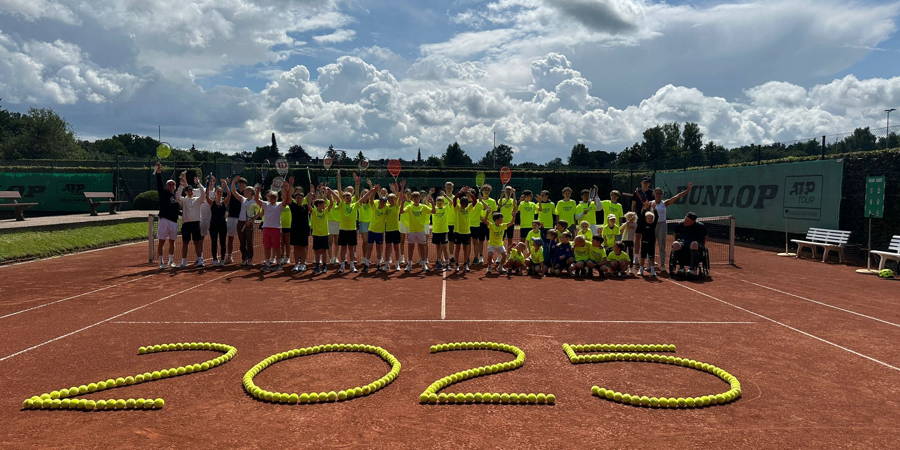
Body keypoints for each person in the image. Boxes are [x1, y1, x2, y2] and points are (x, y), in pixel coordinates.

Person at [649, 183, 693, 272]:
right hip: (652, 225)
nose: (658, 195)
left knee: (662, 246)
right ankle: (651, 265)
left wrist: (687, 190)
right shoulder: (650, 203)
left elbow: (677, 196)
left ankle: (662, 265)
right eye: (657, 193)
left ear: (662, 195)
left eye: (660, 193)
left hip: (662, 225)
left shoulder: (665, 203)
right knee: (650, 246)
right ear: (654, 194)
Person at [253, 180, 292, 272]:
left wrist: (286, 190)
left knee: (277, 247)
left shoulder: (279, 205)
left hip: (276, 229)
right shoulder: (265, 204)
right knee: (267, 247)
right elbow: (256, 199)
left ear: (277, 197)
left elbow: (286, 200)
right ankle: (267, 263)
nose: (272, 198)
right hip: (266, 228)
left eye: (274, 196)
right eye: (271, 196)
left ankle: (278, 264)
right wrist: (258, 190)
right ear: (269, 197)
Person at [176, 172, 206, 268]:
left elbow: (204, 193)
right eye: (188, 190)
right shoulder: (184, 200)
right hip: (186, 224)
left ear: (192, 191)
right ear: (186, 192)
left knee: (197, 242)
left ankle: (200, 260)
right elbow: (177, 196)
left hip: (196, 223)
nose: (190, 191)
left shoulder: (198, 199)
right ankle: (184, 261)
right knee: (185, 243)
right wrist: (181, 185)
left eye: (191, 190)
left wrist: (198, 183)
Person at [153, 163, 179, 269]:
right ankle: (161, 262)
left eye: (173, 184)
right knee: (161, 241)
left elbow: (177, 209)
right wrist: (158, 172)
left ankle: (171, 261)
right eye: (169, 184)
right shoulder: (163, 193)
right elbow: (159, 183)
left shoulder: (175, 196)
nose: (171, 186)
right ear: (166, 186)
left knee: (172, 242)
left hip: (173, 221)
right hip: (164, 220)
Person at [400, 190, 432, 272]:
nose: (416, 199)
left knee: (422, 247)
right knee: (411, 247)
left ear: (419, 198)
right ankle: (409, 264)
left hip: (421, 230)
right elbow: (401, 212)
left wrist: (433, 203)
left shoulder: (423, 207)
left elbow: (434, 211)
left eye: (417, 197)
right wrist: (402, 203)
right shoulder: (410, 206)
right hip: (411, 230)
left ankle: (424, 264)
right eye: (414, 198)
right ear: (412, 199)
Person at [670, 212, 708, 276]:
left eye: (688, 221)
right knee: (675, 244)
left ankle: (693, 269)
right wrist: (677, 242)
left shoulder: (700, 226)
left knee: (694, 244)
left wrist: (702, 245)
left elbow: (705, 237)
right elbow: (675, 235)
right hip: (683, 243)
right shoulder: (679, 224)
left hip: (696, 245)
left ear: (693, 221)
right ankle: (681, 268)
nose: (685, 221)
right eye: (685, 219)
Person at [309, 186, 336, 274]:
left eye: (323, 204)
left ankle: (324, 266)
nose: (323, 205)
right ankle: (317, 265)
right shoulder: (314, 212)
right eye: (321, 204)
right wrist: (311, 195)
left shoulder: (326, 211)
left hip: (324, 234)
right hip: (316, 234)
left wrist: (330, 194)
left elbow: (331, 204)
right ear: (317, 205)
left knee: (324, 251)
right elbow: (309, 205)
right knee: (317, 251)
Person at [289, 185, 314, 273]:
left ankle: (303, 264)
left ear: (303, 198)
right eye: (297, 197)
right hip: (295, 229)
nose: (299, 198)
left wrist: (311, 192)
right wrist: (290, 185)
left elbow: (310, 202)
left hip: (304, 229)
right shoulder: (292, 206)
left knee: (303, 248)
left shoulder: (306, 206)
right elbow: (287, 196)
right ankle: (296, 264)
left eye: (300, 197)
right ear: (295, 198)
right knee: (296, 248)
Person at [335, 189, 361, 273]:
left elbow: (364, 198)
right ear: (343, 198)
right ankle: (342, 266)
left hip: (352, 230)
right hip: (343, 230)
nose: (348, 198)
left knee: (351, 249)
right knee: (343, 248)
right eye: (346, 197)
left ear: (351, 198)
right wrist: (330, 191)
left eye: (349, 196)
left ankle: (352, 266)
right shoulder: (341, 204)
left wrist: (372, 191)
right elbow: (337, 197)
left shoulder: (355, 205)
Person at [470, 184, 496, 265]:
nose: (486, 192)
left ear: (490, 191)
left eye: (488, 190)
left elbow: (494, 213)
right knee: (480, 241)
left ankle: (490, 258)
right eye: (485, 190)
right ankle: (481, 257)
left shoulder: (493, 201)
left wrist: (489, 221)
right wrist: (483, 219)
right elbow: (476, 212)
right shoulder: (477, 201)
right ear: (482, 191)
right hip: (480, 224)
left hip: (489, 224)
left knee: (490, 241)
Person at [205, 179, 229, 266]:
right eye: (218, 192)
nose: (219, 193)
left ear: (222, 193)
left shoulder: (224, 202)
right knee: (214, 242)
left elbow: (229, 194)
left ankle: (222, 259)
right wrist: (208, 185)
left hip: (223, 225)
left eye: (221, 192)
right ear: (215, 193)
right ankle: (215, 259)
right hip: (213, 225)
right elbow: (206, 196)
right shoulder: (212, 203)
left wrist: (226, 185)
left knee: (223, 242)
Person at [453, 187, 476, 273]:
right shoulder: (457, 208)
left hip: (467, 232)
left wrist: (470, 194)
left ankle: (466, 264)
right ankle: (456, 264)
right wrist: (460, 192)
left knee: (466, 249)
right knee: (457, 249)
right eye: (463, 202)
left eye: (465, 202)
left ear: (467, 203)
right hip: (458, 232)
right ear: (461, 202)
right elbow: (455, 199)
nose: (464, 203)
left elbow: (475, 201)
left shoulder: (468, 208)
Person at [224, 176, 247, 265]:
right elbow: (231, 191)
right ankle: (229, 256)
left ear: (245, 185)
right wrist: (232, 182)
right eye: (240, 183)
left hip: (241, 219)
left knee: (243, 240)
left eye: (243, 183)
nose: (241, 185)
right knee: (230, 238)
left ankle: (244, 258)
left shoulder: (247, 194)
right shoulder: (234, 192)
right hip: (231, 217)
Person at [383, 185, 404, 271]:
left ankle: (397, 264)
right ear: (388, 200)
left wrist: (401, 188)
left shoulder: (396, 206)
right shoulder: (386, 206)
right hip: (388, 230)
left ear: (395, 199)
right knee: (388, 247)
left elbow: (400, 195)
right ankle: (387, 264)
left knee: (396, 247)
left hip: (396, 230)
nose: (391, 200)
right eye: (390, 199)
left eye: (393, 198)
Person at [430, 192, 451, 271]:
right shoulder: (434, 208)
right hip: (436, 231)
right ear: (436, 202)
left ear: (443, 202)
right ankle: (438, 262)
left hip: (444, 231)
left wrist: (445, 196)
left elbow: (451, 202)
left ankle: (447, 263)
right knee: (438, 247)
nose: (439, 203)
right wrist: (432, 202)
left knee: (445, 248)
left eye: (441, 201)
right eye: (438, 201)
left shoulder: (446, 208)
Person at [636, 210, 659, 277]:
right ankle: (641, 269)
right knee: (643, 256)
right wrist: (645, 209)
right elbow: (642, 217)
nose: (650, 219)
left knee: (651, 256)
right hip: (644, 242)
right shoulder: (643, 224)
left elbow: (657, 217)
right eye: (648, 218)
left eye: (651, 218)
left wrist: (655, 209)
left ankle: (652, 270)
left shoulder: (653, 225)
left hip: (651, 243)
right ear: (645, 219)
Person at [279, 190, 292, 265]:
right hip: (280, 226)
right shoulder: (279, 204)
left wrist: (287, 191)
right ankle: (281, 257)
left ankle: (287, 257)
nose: (284, 196)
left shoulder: (290, 205)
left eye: (285, 195)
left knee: (287, 243)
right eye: (282, 195)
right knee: (281, 243)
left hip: (288, 227)